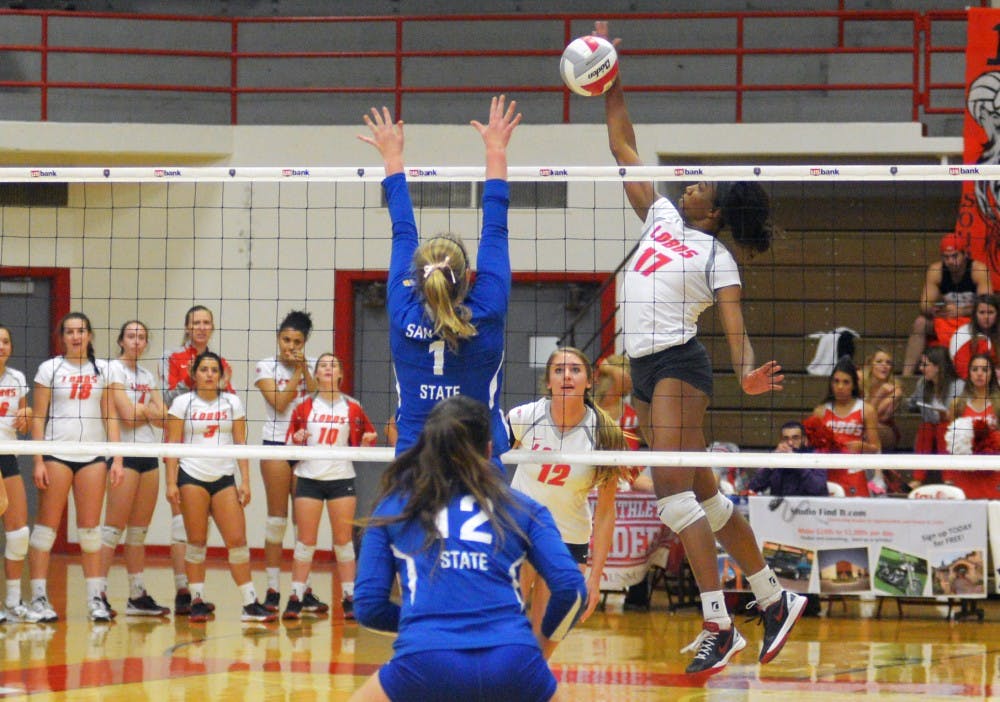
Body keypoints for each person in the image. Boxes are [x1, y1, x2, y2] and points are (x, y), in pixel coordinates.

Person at [598, 20, 803, 675]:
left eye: (701, 188)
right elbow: (624, 145)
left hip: (679, 369)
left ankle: (720, 625)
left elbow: (736, 331)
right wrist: (610, 79)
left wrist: (746, 374)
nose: (689, 186)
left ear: (713, 213)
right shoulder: (660, 217)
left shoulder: (717, 257)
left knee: (672, 495)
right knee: (709, 500)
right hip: (644, 367)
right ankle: (774, 598)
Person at [351, 395, 586, 702]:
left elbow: (368, 606)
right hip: (512, 659)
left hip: (426, 659)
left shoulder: (394, 508)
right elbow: (572, 590)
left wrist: (424, 623)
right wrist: (537, 651)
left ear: (426, 449)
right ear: (489, 450)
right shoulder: (525, 509)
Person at [359, 94, 520, 467]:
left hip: (416, 463)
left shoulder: (403, 310)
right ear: (467, 278)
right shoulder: (488, 308)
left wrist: (392, 158)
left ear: (417, 279)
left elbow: (403, 232)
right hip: (479, 464)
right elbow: (495, 228)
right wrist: (496, 150)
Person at [507, 347, 625, 654]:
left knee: (544, 643)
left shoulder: (606, 434)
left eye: (575, 369)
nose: (567, 376)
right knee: (502, 629)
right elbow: (485, 463)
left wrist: (595, 579)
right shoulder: (524, 417)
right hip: (521, 533)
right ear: (548, 382)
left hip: (567, 540)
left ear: (589, 381)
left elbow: (606, 512)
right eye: (558, 370)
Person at [164, 351, 275, 623]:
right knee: (196, 542)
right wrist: (171, 482)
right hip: (191, 476)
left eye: (215, 370)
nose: (210, 374)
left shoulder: (232, 402)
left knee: (237, 541)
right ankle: (197, 600)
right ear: (194, 374)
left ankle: (249, 602)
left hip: (224, 477)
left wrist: (245, 480)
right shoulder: (182, 403)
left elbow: (240, 444)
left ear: (221, 375)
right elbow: (172, 445)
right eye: (204, 369)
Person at [28, 312, 124, 623]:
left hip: (92, 457)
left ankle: (96, 599)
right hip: (56, 453)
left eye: (81, 331)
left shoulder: (104, 370)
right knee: (45, 531)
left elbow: (110, 415)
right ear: (62, 338)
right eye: (69, 332)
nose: (75, 336)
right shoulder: (50, 369)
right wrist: (38, 459)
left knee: (91, 532)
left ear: (90, 335)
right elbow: (38, 417)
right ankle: (39, 598)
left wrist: (117, 458)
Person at [284, 353, 377, 621]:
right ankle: (296, 596)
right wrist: (298, 439)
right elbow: (290, 447)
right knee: (305, 542)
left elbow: (364, 441)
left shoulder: (353, 407)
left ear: (340, 374)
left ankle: (349, 597)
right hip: (309, 478)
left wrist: (367, 442)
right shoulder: (304, 406)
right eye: (322, 365)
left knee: (343, 542)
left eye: (333, 365)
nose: (327, 368)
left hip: (341, 478)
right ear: (315, 374)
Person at [160, 305, 234, 615]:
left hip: (212, 451)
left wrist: (216, 383)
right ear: (187, 327)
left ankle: (196, 592)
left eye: (206, 322)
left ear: (212, 327)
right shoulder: (173, 358)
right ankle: (183, 591)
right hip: (181, 447)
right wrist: (191, 379)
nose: (201, 327)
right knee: (182, 525)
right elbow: (167, 400)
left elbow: (229, 401)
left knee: (201, 529)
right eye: (196, 323)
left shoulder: (220, 363)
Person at [99, 320, 171, 617]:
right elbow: (127, 417)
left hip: (148, 453)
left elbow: (164, 418)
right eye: (131, 336)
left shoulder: (146, 374)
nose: (136, 341)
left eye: (142, 337)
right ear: (121, 340)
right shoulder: (112, 370)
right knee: (112, 529)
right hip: (124, 454)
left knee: (138, 532)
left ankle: (137, 595)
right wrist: (147, 411)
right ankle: (98, 594)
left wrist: (145, 411)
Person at [254, 310, 318, 613]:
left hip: (305, 447)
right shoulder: (266, 366)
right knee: (276, 521)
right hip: (277, 445)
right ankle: (272, 589)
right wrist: (296, 374)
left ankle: (302, 590)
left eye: (297, 342)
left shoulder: (311, 366)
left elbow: (319, 397)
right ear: (278, 338)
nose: (290, 347)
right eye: (286, 340)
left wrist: (304, 369)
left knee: (302, 524)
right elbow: (279, 403)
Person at [902, 234, 992, 375]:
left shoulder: (978, 270)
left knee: (987, 320)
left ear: (965, 254)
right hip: (948, 319)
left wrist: (961, 311)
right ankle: (906, 375)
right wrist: (935, 309)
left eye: (954, 256)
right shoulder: (936, 271)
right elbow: (924, 304)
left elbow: (987, 305)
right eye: (946, 257)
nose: (950, 261)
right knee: (920, 323)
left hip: (972, 322)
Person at [0, 325, 37, 622]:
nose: (1, 346)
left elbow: (23, 423)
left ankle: (13, 601)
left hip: (8, 455)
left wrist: (27, 416)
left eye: (5, 341)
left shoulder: (17, 379)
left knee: (19, 531)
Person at [812, 356, 881, 497]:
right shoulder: (820, 411)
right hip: (828, 470)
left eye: (846, 382)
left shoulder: (866, 410)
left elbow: (876, 448)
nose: (840, 387)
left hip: (854, 471)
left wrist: (862, 446)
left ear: (854, 385)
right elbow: (813, 445)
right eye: (836, 381)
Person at [944, 352, 1000, 498]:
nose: (979, 374)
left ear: (992, 374)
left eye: (984, 370)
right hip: (965, 473)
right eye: (975, 369)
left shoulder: (998, 405)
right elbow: (951, 443)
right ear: (969, 373)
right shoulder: (957, 404)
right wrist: (949, 476)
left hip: (993, 472)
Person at [906, 346, 963, 486]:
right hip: (930, 429)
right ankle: (917, 478)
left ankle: (949, 478)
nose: (921, 368)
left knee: (943, 427)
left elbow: (963, 412)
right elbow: (911, 404)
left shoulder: (958, 385)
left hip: (954, 429)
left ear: (938, 367)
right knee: (926, 427)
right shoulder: (922, 383)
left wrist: (950, 415)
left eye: (925, 365)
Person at [747, 421, 827, 498]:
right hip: (779, 506)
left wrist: (797, 462)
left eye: (795, 438)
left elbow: (817, 489)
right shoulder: (776, 460)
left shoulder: (816, 458)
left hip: (808, 506)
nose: (790, 443)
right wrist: (771, 464)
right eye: (786, 438)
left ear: (805, 440)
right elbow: (753, 488)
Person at [858, 348, 904, 452]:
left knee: (871, 429)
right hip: (860, 425)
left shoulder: (895, 389)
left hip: (884, 429)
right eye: (879, 362)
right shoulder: (860, 382)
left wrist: (880, 393)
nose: (884, 366)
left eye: (888, 363)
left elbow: (879, 417)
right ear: (870, 364)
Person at [949, 294, 1000, 379]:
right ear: (975, 314)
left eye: (990, 312)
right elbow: (963, 371)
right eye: (982, 312)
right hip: (970, 382)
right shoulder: (963, 335)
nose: (986, 317)